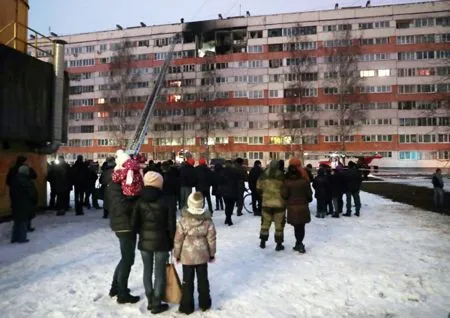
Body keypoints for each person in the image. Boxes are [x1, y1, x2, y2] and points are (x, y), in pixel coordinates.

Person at [132, 171, 176, 314]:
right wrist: (172, 240)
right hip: (162, 241)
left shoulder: (139, 201)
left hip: (145, 241)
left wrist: (143, 233)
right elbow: (172, 224)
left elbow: (134, 224)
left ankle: (150, 299)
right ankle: (157, 301)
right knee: (159, 272)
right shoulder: (167, 200)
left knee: (147, 270)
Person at [174, 192, 216, 315]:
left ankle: (187, 306)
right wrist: (212, 253)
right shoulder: (207, 220)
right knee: (203, 280)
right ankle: (205, 303)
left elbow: (178, 239)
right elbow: (212, 238)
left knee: (187, 281)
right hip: (202, 255)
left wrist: (176, 254)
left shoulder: (183, 220)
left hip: (187, 256)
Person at [107, 168, 140, 304]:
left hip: (121, 224)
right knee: (128, 259)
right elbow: (122, 206)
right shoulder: (117, 187)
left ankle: (115, 288)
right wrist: (134, 198)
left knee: (125, 258)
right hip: (124, 226)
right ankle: (122, 293)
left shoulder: (114, 185)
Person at [282, 158, 312, 253]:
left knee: (296, 226)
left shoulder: (286, 182)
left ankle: (299, 243)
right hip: (303, 206)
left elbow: (284, 195)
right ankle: (299, 243)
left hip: (292, 207)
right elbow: (309, 195)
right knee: (301, 226)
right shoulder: (304, 180)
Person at [257, 160, 286, 251]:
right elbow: (286, 190)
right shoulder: (282, 176)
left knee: (265, 223)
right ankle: (278, 244)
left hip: (266, 203)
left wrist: (264, 195)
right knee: (279, 225)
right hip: (279, 204)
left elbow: (258, 188)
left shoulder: (263, 175)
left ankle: (263, 242)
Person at [6, 155, 37, 231]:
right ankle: (26, 227)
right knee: (27, 210)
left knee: (18, 211)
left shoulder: (12, 169)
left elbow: (8, 181)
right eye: (26, 161)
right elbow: (34, 176)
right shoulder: (26, 169)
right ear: (23, 161)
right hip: (25, 194)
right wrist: (30, 167)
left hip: (15, 193)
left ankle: (18, 229)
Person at [10, 165, 37, 243]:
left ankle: (14, 238)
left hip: (16, 202)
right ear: (26, 172)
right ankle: (22, 238)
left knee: (17, 221)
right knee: (23, 221)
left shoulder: (15, 179)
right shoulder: (25, 180)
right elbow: (31, 192)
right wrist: (33, 200)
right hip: (25, 203)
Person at [218, 160, 240, 226]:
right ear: (231, 164)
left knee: (227, 205)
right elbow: (237, 182)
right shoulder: (235, 171)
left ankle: (227, 218)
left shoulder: (222, 171)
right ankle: (229, 218)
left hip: (224, 191)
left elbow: (219, 181)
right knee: (231, 205)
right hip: (233, 190)